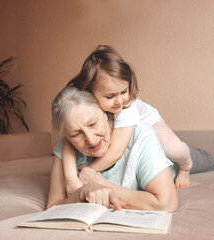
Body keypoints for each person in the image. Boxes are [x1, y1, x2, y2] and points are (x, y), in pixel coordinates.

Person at [61, 45, 195, 197]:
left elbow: (116, 152)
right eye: (110, 97)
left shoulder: (127, 108)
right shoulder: (87, 103)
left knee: (175, 149)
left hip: (151, 124)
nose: (119, 101)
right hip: (125, 130)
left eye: (124, 91)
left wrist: (87, 172)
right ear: (91, 93)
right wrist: (69, 176)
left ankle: (186, 166)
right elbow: (68, 139)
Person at [47, 86, 178, 212]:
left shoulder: (142, 134)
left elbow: (168, 204)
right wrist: (81, 194)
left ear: (105, 112)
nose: (91, 140)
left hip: (173, 157)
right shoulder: (66, 146)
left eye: (92, 124)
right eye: (76, 134)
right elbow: (52, 206)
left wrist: (103, 185)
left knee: (189, 156)